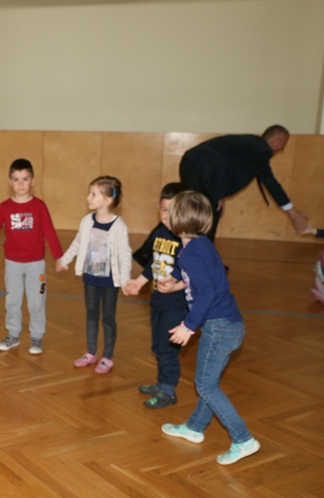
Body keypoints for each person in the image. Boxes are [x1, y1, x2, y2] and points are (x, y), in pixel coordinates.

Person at [161, 191, 259, 465]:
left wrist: (187, 326)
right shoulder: (199, 245)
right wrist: (174, 278)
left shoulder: (190, 254)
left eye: (169, 212)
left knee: (205, 385)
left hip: (218, 329)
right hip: (231, 325)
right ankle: (194, 428)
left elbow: (206, 293)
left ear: (179, 220)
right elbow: (199, 271)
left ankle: (243, 439)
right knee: (209, 383)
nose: (164, 216)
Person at [0, 158, 63, 355]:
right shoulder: (5, 208)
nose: (20, 184)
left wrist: (59, 257)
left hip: (35, 264)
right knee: (12, 301)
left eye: (25, 179)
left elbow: (50, 232)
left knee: (36, 302)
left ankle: (37, 337)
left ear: (32, 181)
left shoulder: (39, 206)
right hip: (13, 264)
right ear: (10, 182)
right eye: (16, 179)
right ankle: (13, 334)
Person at [179, 125, 308, 242]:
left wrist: (219, 194)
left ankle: (202, 254)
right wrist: (293, 213)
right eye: (283, 144)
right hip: (197, 167)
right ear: (276, 141)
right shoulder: (260, 150)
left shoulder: (251, 145)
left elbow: (226, 164)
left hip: (196, 166)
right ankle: (197, 255)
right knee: (203, 213)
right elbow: (271, 183)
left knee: (211, 211)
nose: (282, 149)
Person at [57, 176, 131, 374]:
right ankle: (91, 352)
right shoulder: (86, 221)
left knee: (108, 317)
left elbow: (124, 254)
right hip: (90, 277)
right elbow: (78, 242)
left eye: (93, 194)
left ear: (108, 200)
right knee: (91, 314)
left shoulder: (119, 226)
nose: (88, 198)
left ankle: (107, 357)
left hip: (110, 281)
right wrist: (65, 260)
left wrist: (125, 280)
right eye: (89, 193)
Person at [123, 183, 188, 408]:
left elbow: (191, 272)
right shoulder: (160, 234)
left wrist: (175, 285)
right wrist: (139, 282)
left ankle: (168, 390)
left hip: (177, 305)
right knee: (158, 345)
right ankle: (162, 383)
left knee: (167, 347)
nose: (166, 216)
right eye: (163, 209)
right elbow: (155, 263)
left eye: (173, 211)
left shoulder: (186, 240)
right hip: (158, 300)